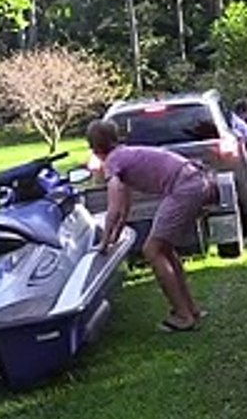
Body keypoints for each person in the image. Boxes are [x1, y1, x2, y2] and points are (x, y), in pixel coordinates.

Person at [87, 119, 218, 332]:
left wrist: (103, 244)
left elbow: (113, 208)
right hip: (198, 179)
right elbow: (124, 208)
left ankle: (183, 317)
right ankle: (190, 309)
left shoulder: (112, 162)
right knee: (164, 248)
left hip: (184, 186)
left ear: (94, 149)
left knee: (152, 249)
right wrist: (115, 236)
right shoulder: (125, 155)